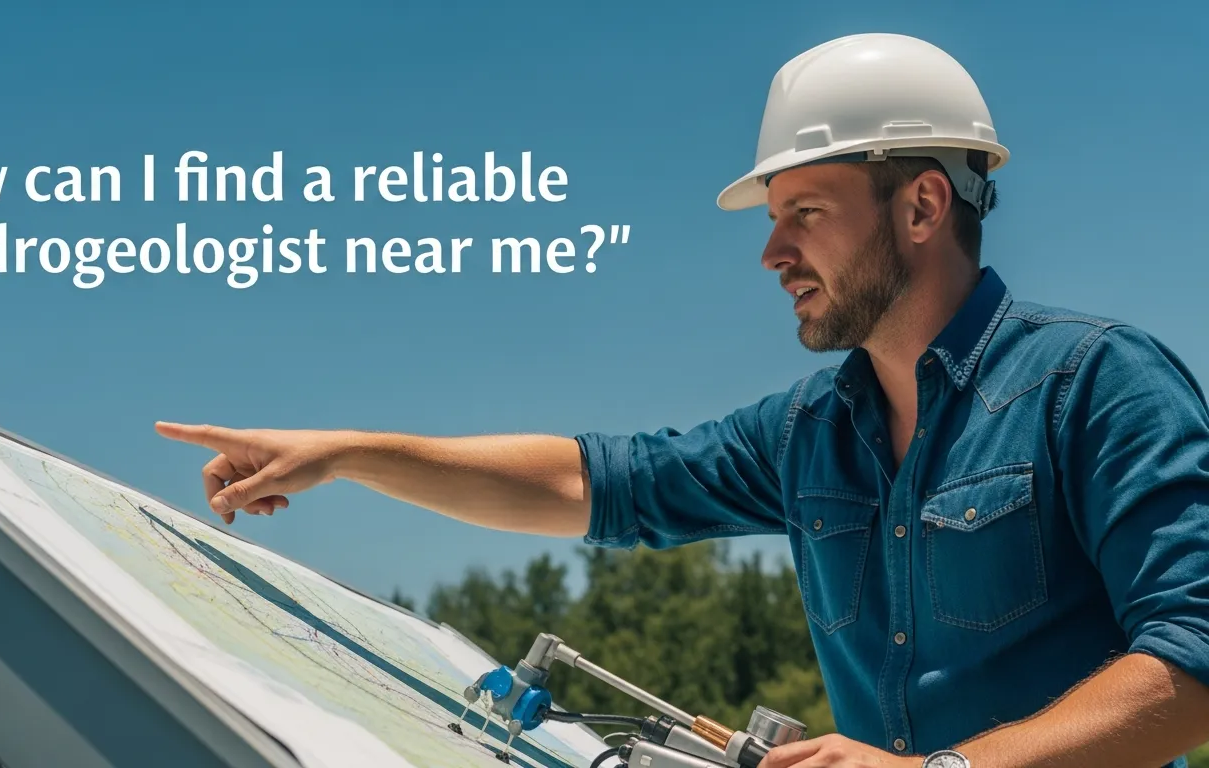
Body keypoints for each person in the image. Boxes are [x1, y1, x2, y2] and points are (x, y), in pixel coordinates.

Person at [156, 33, 1209, 768]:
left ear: (923, 204)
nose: (771, 251)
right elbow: (591, 484)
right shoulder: (806, 436)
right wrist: (349, 454)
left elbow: (1195, 660)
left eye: (804, 211)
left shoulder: (1097, 386)